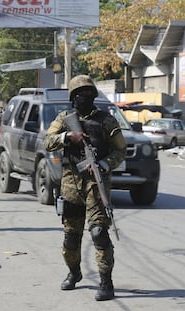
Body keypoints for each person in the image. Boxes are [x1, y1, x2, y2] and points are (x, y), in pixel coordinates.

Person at [44, 75, 127, 301]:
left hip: (96, 183)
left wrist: (103, 164)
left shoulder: (106, 121)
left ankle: (106, 282)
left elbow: (121, 151)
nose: (86, 97)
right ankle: (74, 272)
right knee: (71, 236)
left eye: (89, 93)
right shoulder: (64, 118)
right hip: (71, 182)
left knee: (99, 233)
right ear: (73, 97)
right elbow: (47, 140)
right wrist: (68, 136)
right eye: (81, 94)